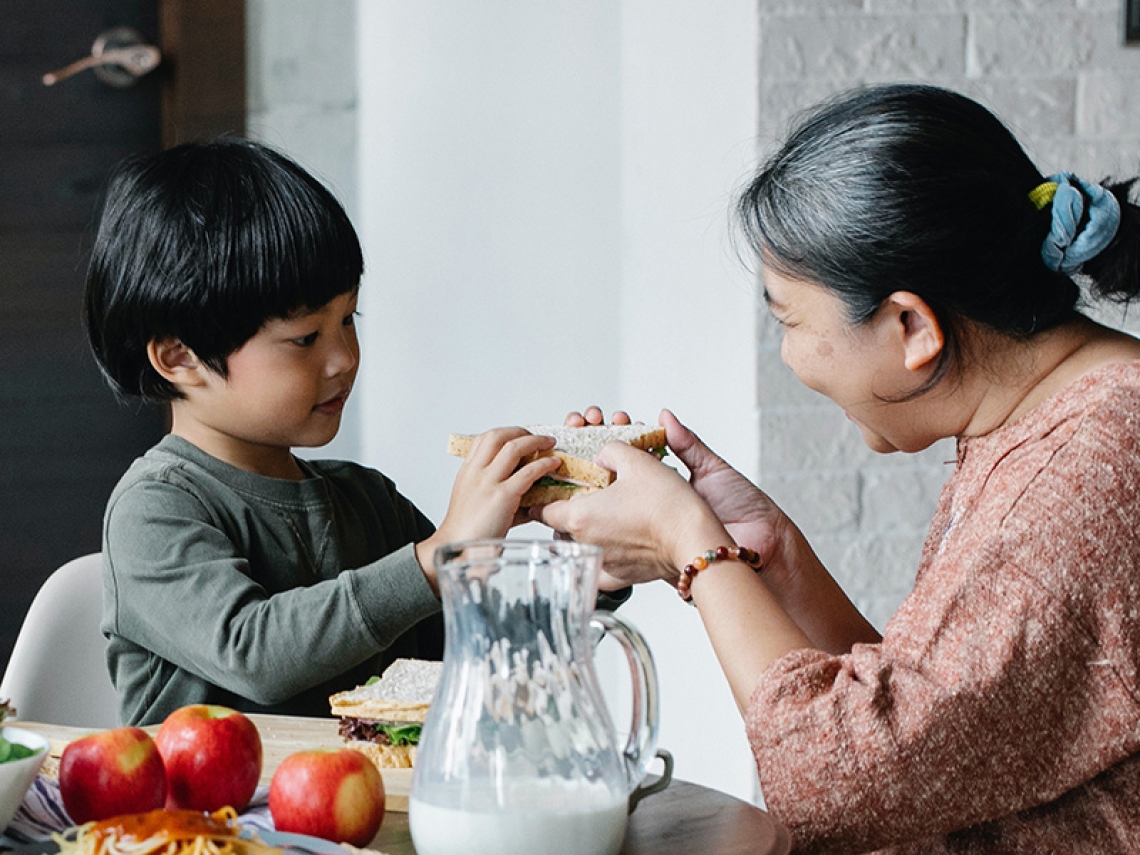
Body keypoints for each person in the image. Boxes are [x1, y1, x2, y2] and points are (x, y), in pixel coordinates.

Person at [536, 83, 1140, 853]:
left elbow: (839, 787)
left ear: (910, 325)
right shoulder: (1052, 416)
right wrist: (770, 552)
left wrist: (691, 546)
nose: (789, 356)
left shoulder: (1090, 467)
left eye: (789, 318)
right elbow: (939, 737)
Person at [84, 138, 565, 726]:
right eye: (305, 338)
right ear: (180, 356)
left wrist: (584, 559)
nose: (344, 358)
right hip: (211, 819)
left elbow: (500, 649)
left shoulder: (369, 501)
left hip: (377, 814)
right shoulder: (155, 509)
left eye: (348, 319)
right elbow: (254, 653)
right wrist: (437, 558)